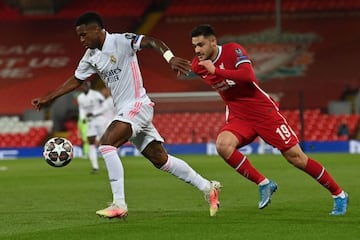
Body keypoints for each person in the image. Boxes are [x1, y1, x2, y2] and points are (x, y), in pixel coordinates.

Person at [32, 12, 221, 219]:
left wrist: (170, 58)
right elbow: (76, 80)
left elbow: (151, 41)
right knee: (161, 160)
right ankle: (208, 187)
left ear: (97, 30)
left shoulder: (121, 41)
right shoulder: (90, 56)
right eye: (79, 36)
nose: (82, 40)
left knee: (106, 143)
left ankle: (119, 204)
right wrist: (50, 98)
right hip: (126, 110)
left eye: (84, 35)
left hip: (138, 105)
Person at [189, 24, 348, 216]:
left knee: (296, 159)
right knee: (223, 146)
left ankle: (339, 194)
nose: (197, 50)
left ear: (213, 41)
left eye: (201, 44)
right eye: (194, 46)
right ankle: (264, 183)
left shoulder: (233, 50)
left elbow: (248, 76)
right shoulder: (198, 65)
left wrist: (217, 70)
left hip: (264, 112)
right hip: (239, 116)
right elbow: (183, 67)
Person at [77, 81, 106, 173]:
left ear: (89, 86)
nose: (84, 87)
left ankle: (109, 162)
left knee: (105, 142)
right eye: (82, 86)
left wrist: (94, 113)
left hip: (99, 119)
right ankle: (95, 167)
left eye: (85, 85)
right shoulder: (80, 98)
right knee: (91, 142)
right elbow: (81, 109)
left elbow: (104, 106)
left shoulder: (96, 94)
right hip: (90, 121)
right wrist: (83, 118)